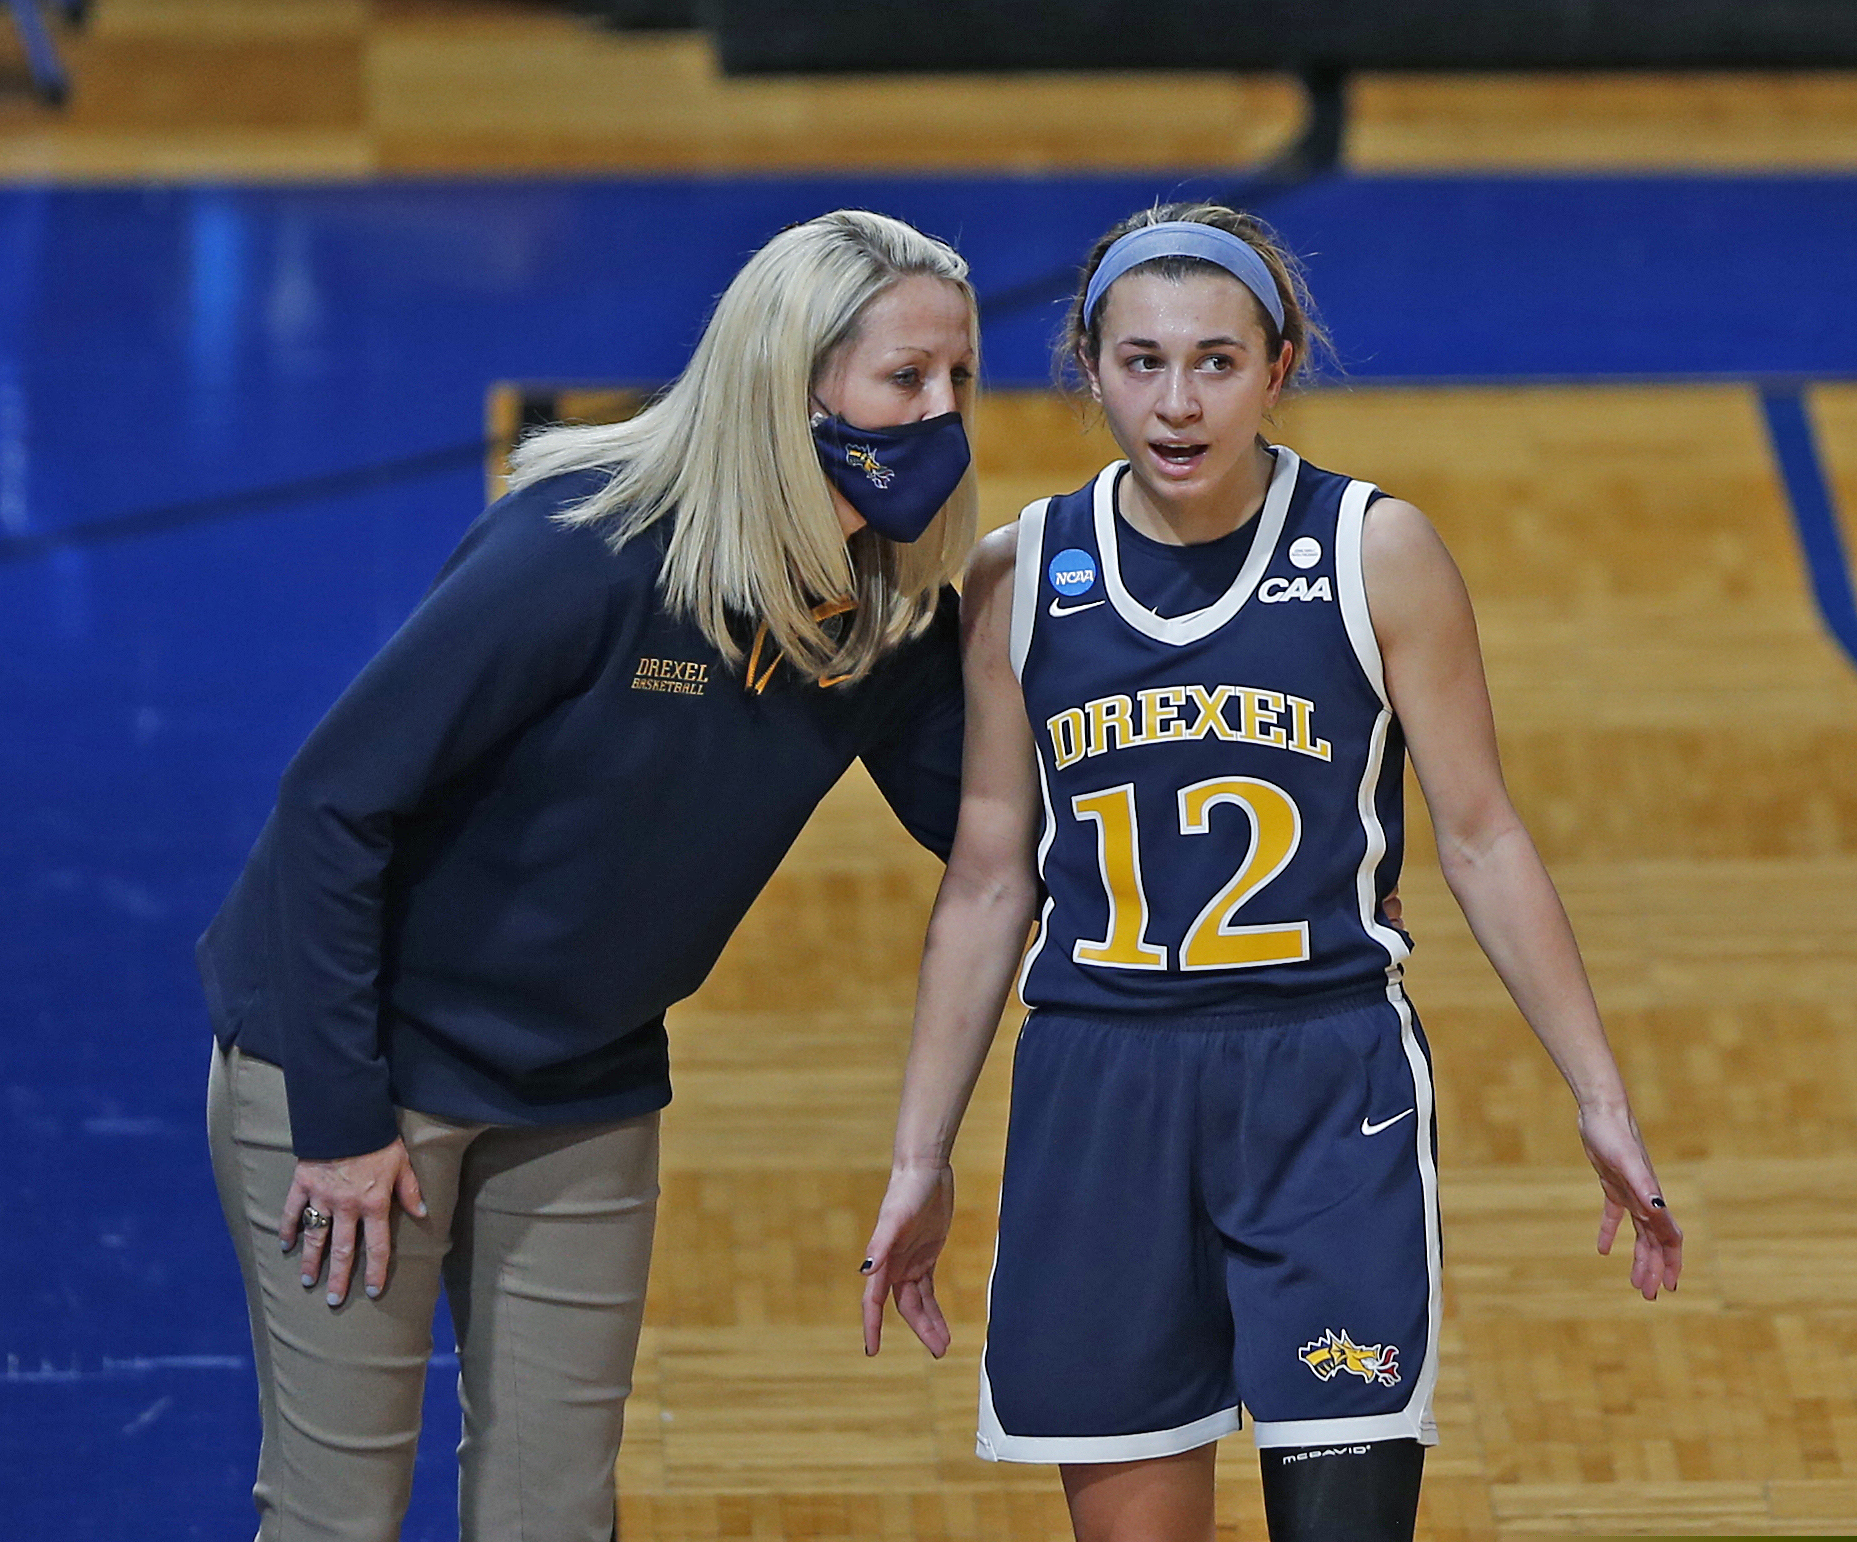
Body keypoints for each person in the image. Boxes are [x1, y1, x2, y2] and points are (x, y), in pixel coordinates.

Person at [858, 203, 1684, 1542]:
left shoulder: (1377, 552)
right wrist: (919, 1156)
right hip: (1098, 1093)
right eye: (1141, 362)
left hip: (1325, 1088)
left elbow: (1482, 836)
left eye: (1217, 362)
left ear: (1278, 366)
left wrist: (1600, 1097)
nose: (1177, 403)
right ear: (1088, 366)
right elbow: (990, 878)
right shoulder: (1019, 574)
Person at [199, 208, 980, 1542]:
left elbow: (1000, 836)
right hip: (358, 1059)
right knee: (339, 1513)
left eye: (960, 375)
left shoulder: (888, 618)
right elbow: (332, 804)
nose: (943, 413)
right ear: (787, 388)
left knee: (554, 1514)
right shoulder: (584, 550)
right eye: (905, 378)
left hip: (581, 1083)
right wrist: (338, 1118)